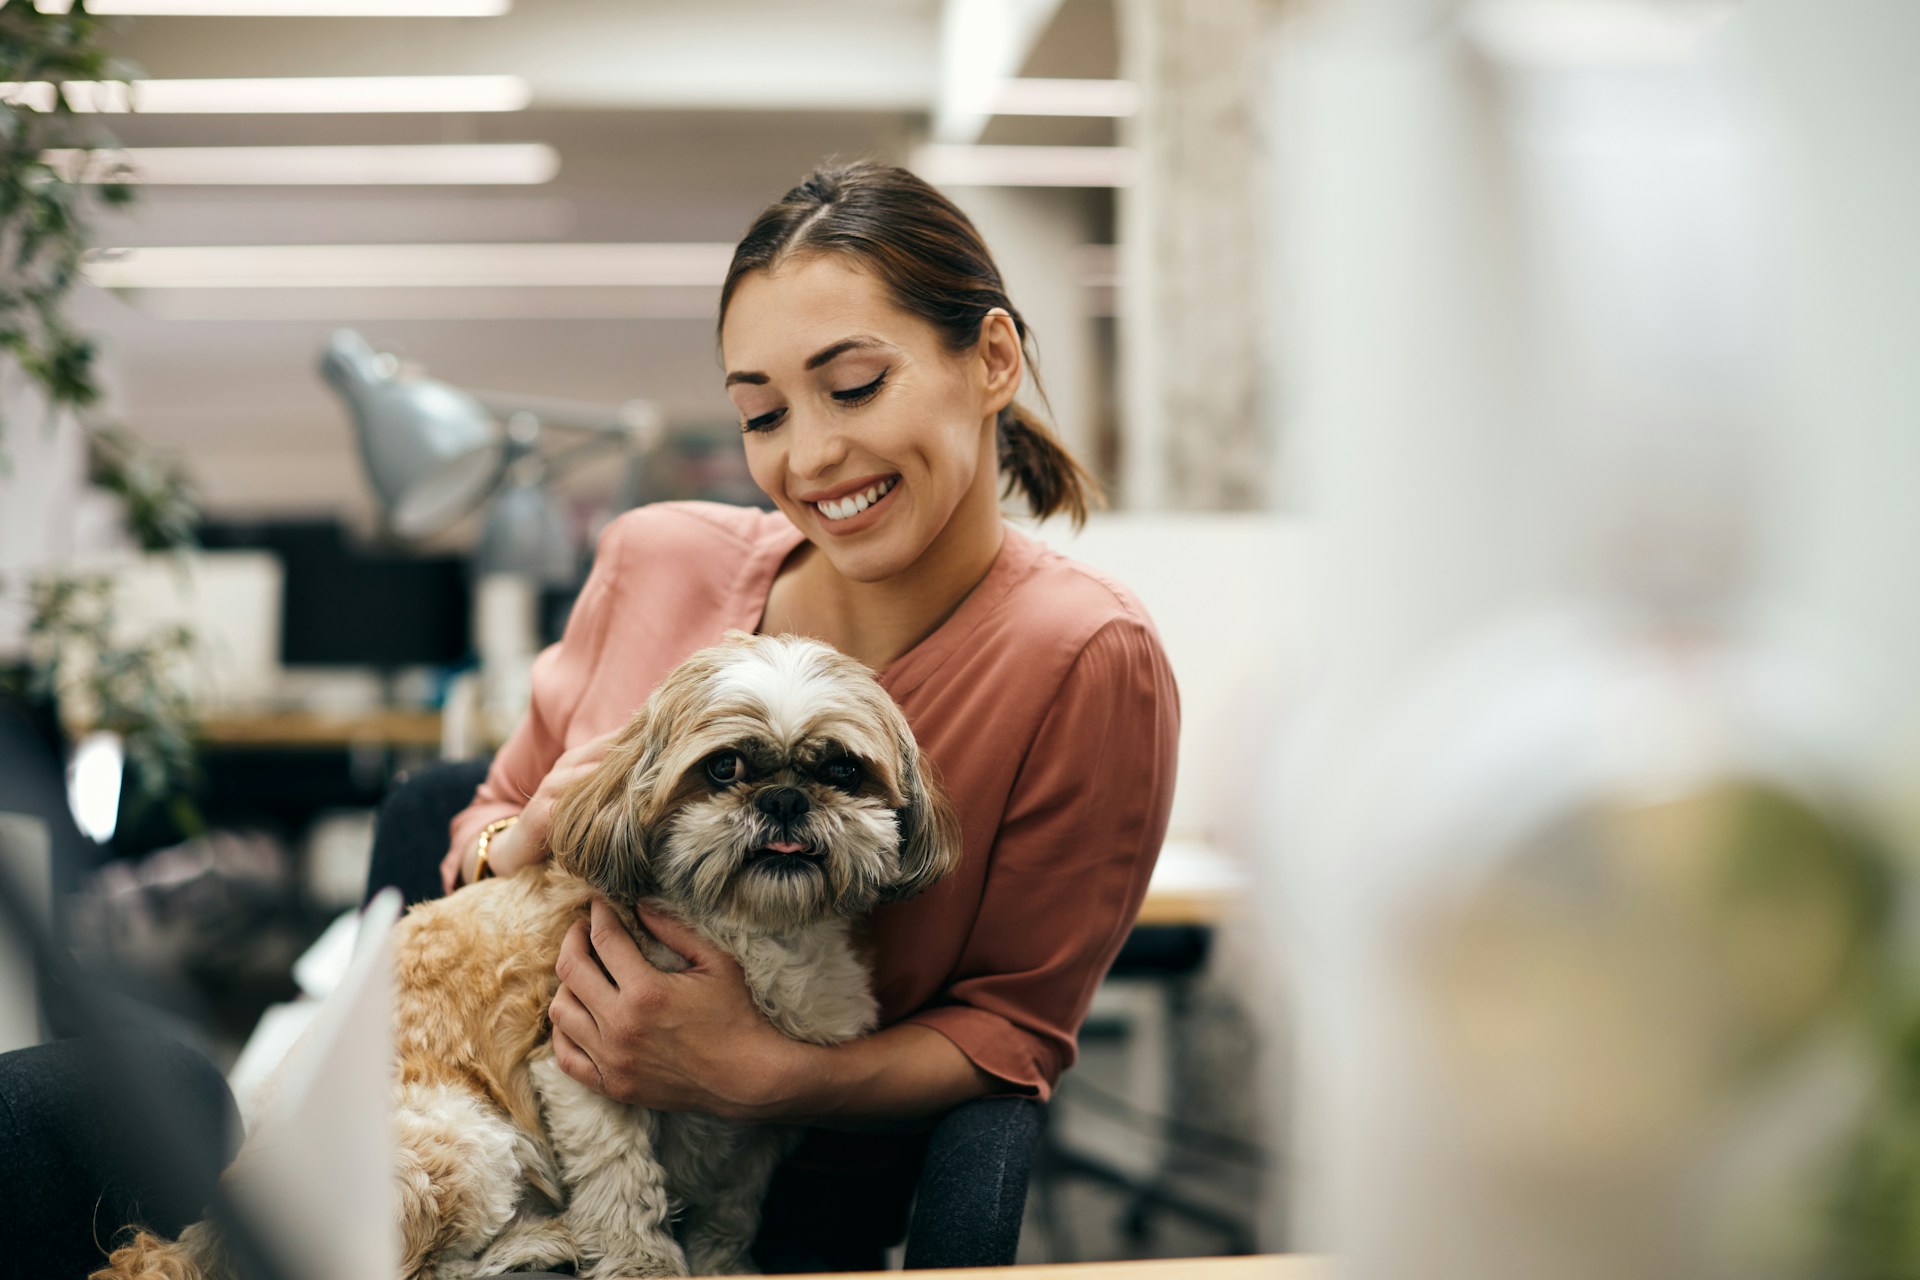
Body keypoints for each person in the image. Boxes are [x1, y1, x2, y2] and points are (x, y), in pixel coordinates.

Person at [424, 157, 1183, 1269]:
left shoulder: (1086, 660)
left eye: (856, 384)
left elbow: (1013, 1034)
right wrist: (528, 830)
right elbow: (469, 833)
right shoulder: (653, 557)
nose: (811, 455)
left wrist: (767, 1073)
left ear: (993, 359)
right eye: (763, 412)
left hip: (787, 1215)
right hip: (504, 1150)